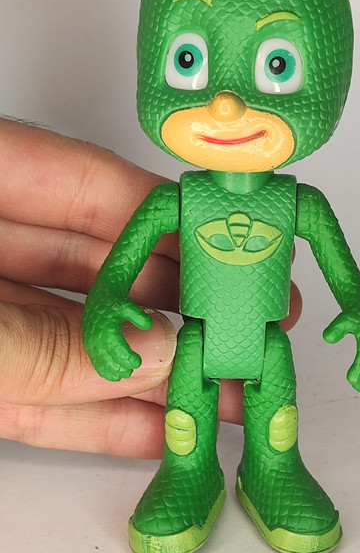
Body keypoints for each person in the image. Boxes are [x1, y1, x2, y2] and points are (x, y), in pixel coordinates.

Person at [0, 117, 301, 458]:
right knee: (186, 430)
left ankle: (275, 467)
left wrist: (353, 307)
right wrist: (103, 304)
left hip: (266, 340)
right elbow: (119, 267)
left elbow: (343, 273)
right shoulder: (178, 200)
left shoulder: (292, 201)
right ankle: (188, 470)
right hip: (198, 342)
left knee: (277, 430)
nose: (227, 108)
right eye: (187, 70)